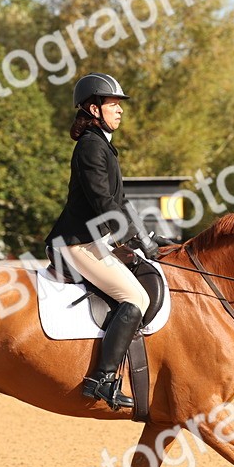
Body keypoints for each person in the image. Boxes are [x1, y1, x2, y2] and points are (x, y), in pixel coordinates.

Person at [45, 73, 171, 411]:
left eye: (119, 105)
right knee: (135, 297)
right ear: (93, 108)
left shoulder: (102, 145)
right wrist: (132, 238)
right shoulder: (90, 146)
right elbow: (103, 203)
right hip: (75, 244)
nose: (120, 110)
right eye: (113, 104)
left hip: (91, 241)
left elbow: (121, 201)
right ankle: (102, 378)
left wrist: (147, 236)